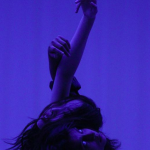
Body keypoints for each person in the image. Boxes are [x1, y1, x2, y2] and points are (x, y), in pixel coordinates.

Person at [7, 0, 121, 149]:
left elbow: (64, 76)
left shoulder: (54, 128)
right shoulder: (64, 129)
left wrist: (88, 18)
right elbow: (63, 76)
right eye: (84, 143)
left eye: (79, 130)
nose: (89, 134)